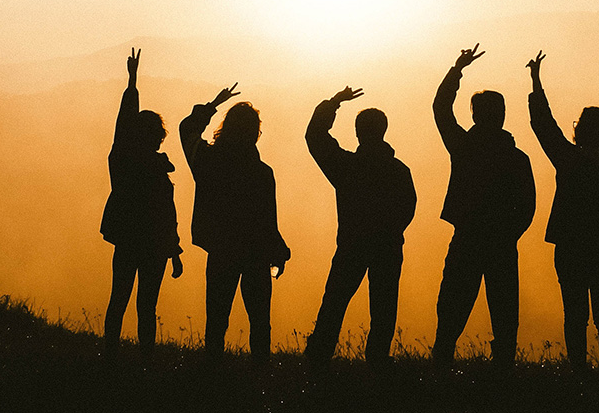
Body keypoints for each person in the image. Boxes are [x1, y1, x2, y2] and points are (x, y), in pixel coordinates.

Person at [524, 51, 599, 375]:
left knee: (575, 314)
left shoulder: (570, 160)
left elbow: (543, 125)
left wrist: (535, 81)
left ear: (582, 130)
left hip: (571, 245)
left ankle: (579, 373)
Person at [430, 44, 536, 368]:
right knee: (505, 310)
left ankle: (442, 362)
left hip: (469, 237)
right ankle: (503, 367)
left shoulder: (464, 147)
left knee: (452, 305)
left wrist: (457, 68)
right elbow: (527, 206)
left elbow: (440, 108)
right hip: (502, 243)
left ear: (475, 115)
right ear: (502, 115)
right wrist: (509, 233)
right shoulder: (516, 157)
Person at [303, 86, 418, 369]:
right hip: (388, 245)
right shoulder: (399, 170)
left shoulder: (346, 166)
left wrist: (334, 103)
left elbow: (314, 136)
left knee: (335, 301)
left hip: (351, 245)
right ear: (384, 131)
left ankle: (319, 354)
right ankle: (378, 359)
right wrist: (391, 231)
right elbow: (408, 207)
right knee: (384, 306)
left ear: (358, 133)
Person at [180, 83, 290, 363]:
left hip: (221, 249)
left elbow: (187, 129)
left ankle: (213, 374)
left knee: (216, 318)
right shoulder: (262, 172)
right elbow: (268, 220)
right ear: (255, 133)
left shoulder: (207, 160)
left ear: (226, 127)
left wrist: (213, 104)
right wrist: (279, 252)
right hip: (256, 253)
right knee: (260, 321)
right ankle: (261, 374)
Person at [100, 48, 184, 358]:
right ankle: (145, 360)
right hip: (154, 246)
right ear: (159, 136)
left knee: (119, 297)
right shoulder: (150, 166)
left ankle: (111, 355)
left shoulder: (122, 159)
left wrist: (133, 83)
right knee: (146, 305)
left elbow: (123, 124)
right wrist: (173, 251)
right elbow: (167, 215)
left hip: (128, 240)